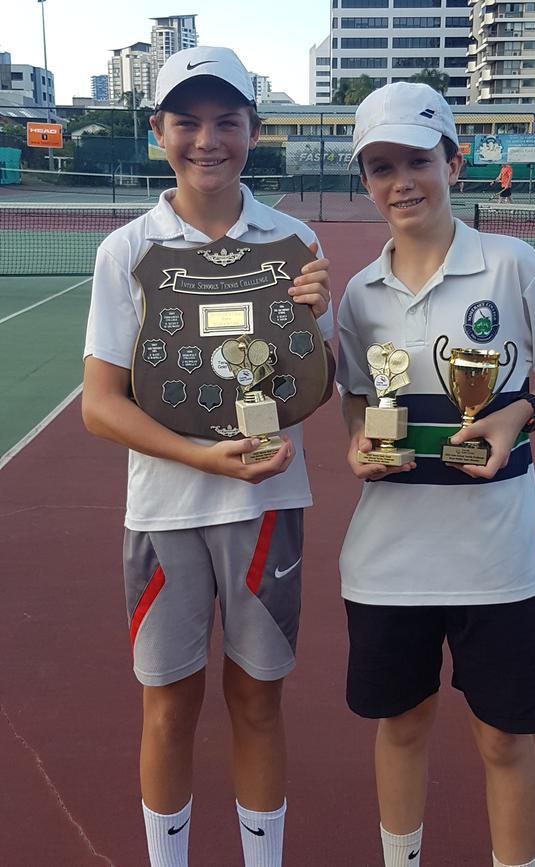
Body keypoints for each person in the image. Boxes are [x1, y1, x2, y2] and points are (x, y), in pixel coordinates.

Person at [336, 81, 535, 867]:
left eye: (418, 160)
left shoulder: (511, 265)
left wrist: (520, 411)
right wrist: (361, 443)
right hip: (387, 563)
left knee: (502, 737)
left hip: (498, 560)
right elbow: (358, 395)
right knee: (404, 725)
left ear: (453, 161)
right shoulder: (359, 294)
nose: (402, 182)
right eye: (381, 166)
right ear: (366, 180)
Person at [82, 46, 334, 867]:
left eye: (226, 120)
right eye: (186, 120)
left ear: (253, 131)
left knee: (258, 703)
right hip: (165, 511)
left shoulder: (294, 240)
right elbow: (100, 404)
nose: (207, 138)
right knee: (168, 708)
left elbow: (315, 388)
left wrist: (312, 328)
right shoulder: (126, 250)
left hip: (266, 506)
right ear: (158, 132)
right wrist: (204, 459)